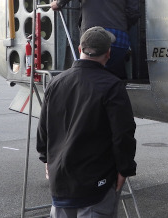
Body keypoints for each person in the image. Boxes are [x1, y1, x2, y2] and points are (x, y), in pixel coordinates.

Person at [37, 26, 137, 218]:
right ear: (108, 53)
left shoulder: (56, 82)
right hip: (96, 184)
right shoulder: (112, 86)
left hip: (61, 181)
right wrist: (125, 168)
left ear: (79, 48)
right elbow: (123, 133)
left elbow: (43, 129)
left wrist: (47, 159)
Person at [51, 0, 139, 79]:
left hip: (92, 37)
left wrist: (59, 3)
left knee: (90, 75)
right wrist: (123, 26)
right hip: (120, 39)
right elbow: (134, 12)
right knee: (115, 73)